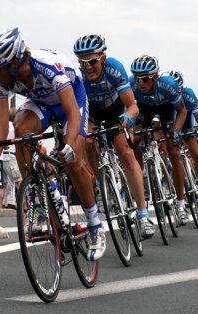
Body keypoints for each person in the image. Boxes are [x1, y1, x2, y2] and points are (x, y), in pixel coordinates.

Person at [0, 27, 105, 261]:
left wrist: (70, 144)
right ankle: (39, 199)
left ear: (15, 63)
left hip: (71, 100)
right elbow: (0, 123)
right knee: (21, 131)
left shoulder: (47, 65)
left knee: (73, 160)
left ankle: (95, 226)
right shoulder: (1, 80)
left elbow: (71, 112)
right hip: (42, 102)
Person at [73, 34, 154, 238]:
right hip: (92, 113)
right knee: (88, 143)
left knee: (126, 152)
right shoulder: (78, 75)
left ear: (102, 57)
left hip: (115, 112)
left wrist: (127, 118)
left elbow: (132, 106)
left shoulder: (114, 68)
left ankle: (143, 215)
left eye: (92, 61)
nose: (88, 67)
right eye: (83, 62)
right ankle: (100, 186)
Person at [129, 55, 189, 225]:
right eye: (137, 78)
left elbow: (182, 111)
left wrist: (175, 132)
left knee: (174, 151)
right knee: (134, 140)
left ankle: (180, 204)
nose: (141, 83)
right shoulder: (132, 85)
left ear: (155, 77)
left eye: (146, 79)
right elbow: (127, 107)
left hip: (166, 110)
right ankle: (138, 172)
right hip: (144, 109)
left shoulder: (168, 84)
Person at [167, 70, 198, 213]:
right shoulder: (165, 93)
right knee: (172, 155)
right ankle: (177, 197)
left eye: (180, 90)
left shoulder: (188, 93)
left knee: (196, 152)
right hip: (170, 119)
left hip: (187, 120)